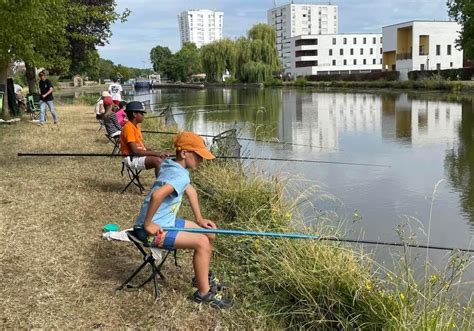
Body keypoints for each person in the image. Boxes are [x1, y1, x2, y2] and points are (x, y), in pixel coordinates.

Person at [133, 131, 232, 309]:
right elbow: (157, 195)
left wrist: (200, 219)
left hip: (165, 222)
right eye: (199, 156)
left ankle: (202, 278)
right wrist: (148, 224)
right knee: (201, 242)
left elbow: (190, 190)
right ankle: (203, 294)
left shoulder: (171, 165)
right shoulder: (180, 175)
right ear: (185, 153)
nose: (202, 160)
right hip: (151, 231)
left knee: (208, 232)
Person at [120, 101, 167, 176]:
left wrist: (157, 152)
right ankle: (160, 186)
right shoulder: (128, 128)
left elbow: (140, 147)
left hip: (137, 156)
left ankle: (167, 183)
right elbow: (135, 151)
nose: (143, 115)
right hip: (131, 158)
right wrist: (156, 154)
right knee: (158, 161)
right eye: (141, 113)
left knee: (166, 158)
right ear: (134, 114)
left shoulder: (136, 127)